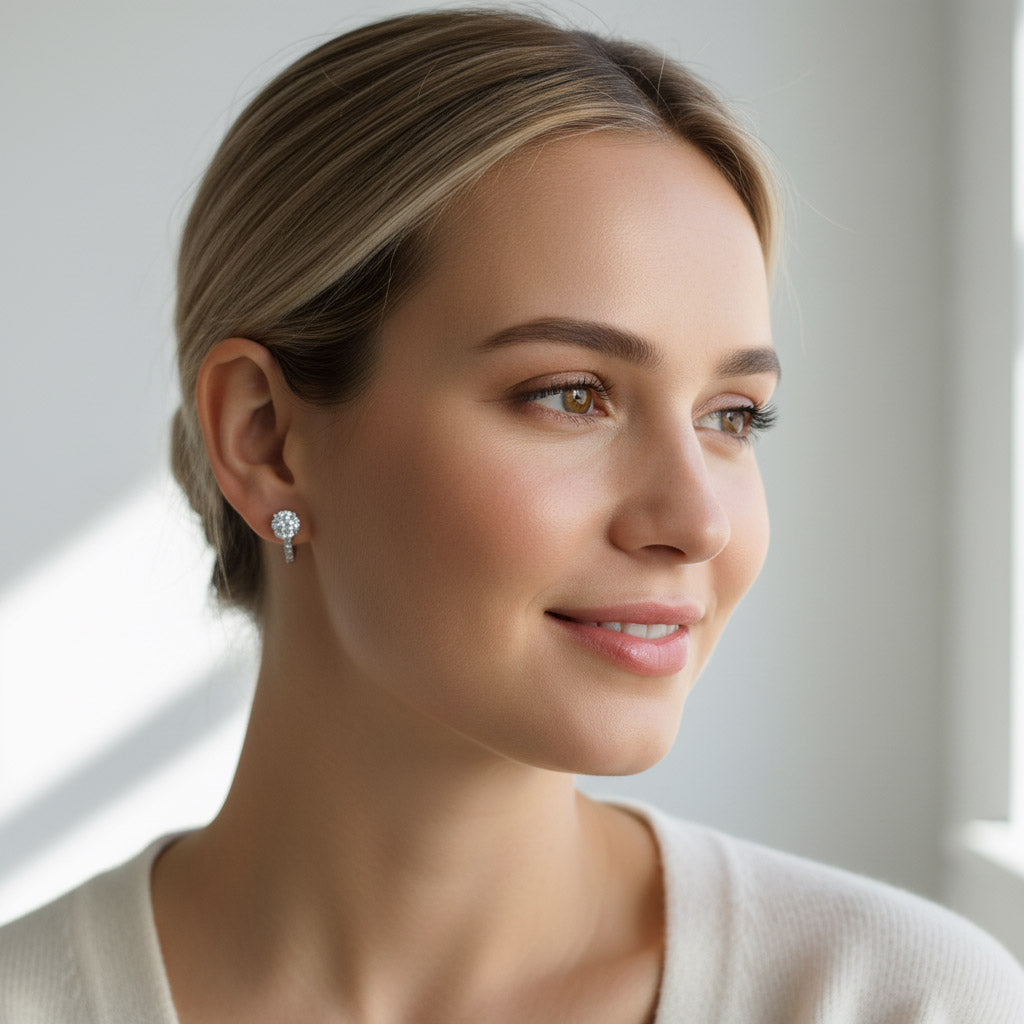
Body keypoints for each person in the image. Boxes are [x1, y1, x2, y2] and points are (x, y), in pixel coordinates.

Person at [1, 8, 1022, 1022]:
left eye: (731, 416)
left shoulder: (904, 1000)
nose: (698, 521)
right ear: (264, 437)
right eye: (572, 395)